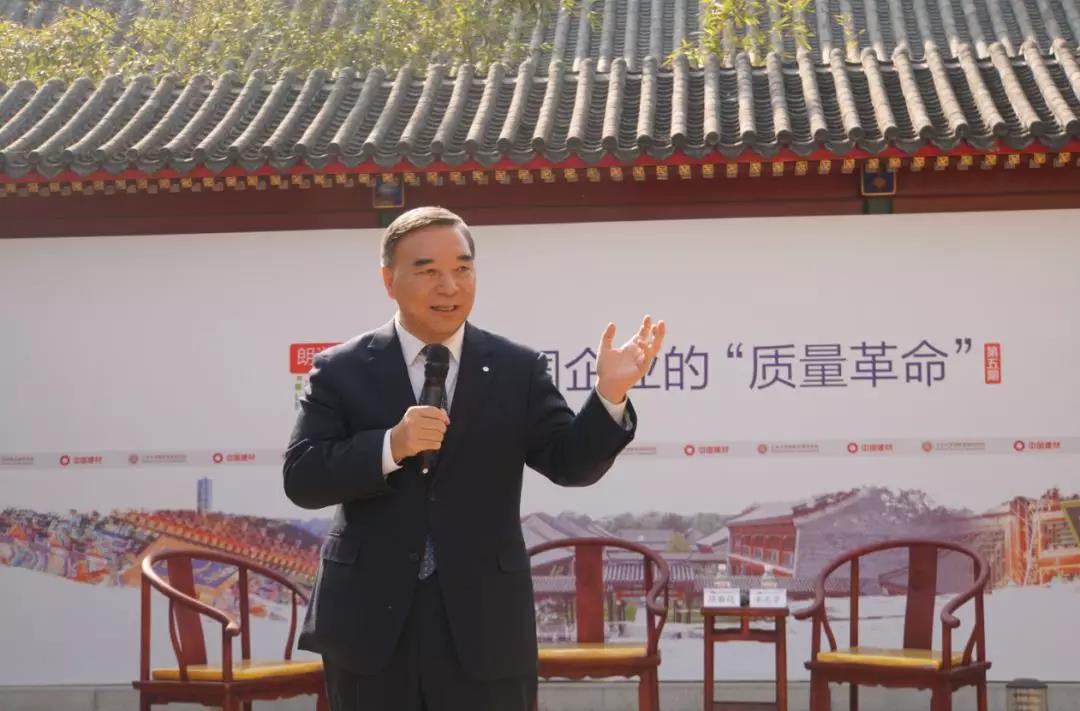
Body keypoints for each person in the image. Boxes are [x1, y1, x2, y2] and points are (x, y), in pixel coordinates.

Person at [283, 206, 665, 711]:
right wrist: (389, 445)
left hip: (484, 621)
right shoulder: (341, 369)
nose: (449, 286)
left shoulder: (516, 369)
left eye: (462, 269)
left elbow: (570, 463)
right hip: (370, 623)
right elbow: (303, 476)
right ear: (388, 280)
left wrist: (609, 395)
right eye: (428, 270)